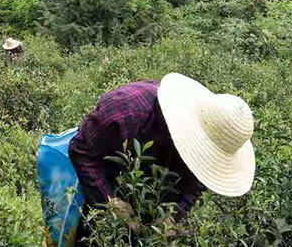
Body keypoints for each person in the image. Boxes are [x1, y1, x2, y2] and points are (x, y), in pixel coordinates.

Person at [68, 73, 254, 229]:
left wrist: (172, 218)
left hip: (148, 195)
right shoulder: (124, 113)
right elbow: (81, 151)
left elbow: (196, 185)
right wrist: (109, 201)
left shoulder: (211, 144)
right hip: (99, 178)